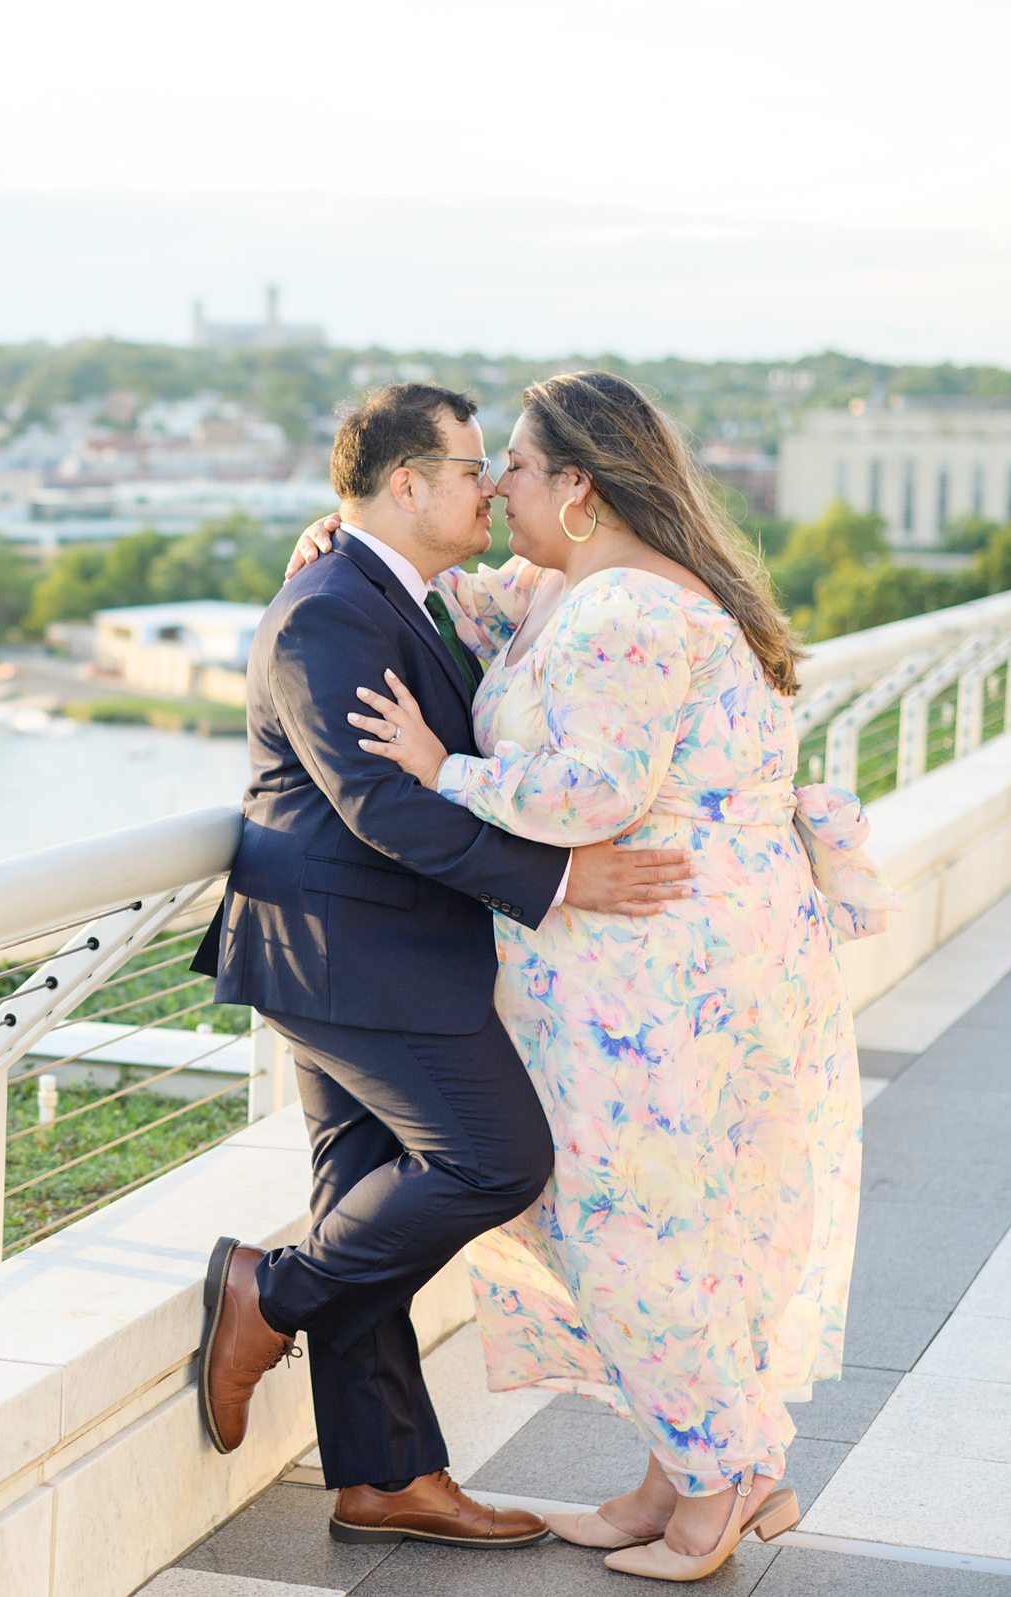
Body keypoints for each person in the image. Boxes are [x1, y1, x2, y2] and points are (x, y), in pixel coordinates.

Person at [300, 369, 887, 1581]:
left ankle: (722, 1485)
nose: (498, 484)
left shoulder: (622, 609)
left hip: (652, 975)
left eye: (514, 464)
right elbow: (461, 605)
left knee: (631, 1227)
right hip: (698, 957)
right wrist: (344, 536)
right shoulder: (591, 587)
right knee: (680, 1219)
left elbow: (591, 790)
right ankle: (682, 1476)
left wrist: (437, 767)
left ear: (578, 485)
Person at [191, 382, 697, 1553]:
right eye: (470, 469)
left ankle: (387, 1476)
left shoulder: (402, 596)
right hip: (343, 955)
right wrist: (559, 883)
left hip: (385, 948)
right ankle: (265, 1294)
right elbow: (377, 804)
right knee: (495, 1157)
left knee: (364, 1191)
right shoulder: (330, 610)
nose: (485, 487)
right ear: (405, 484)